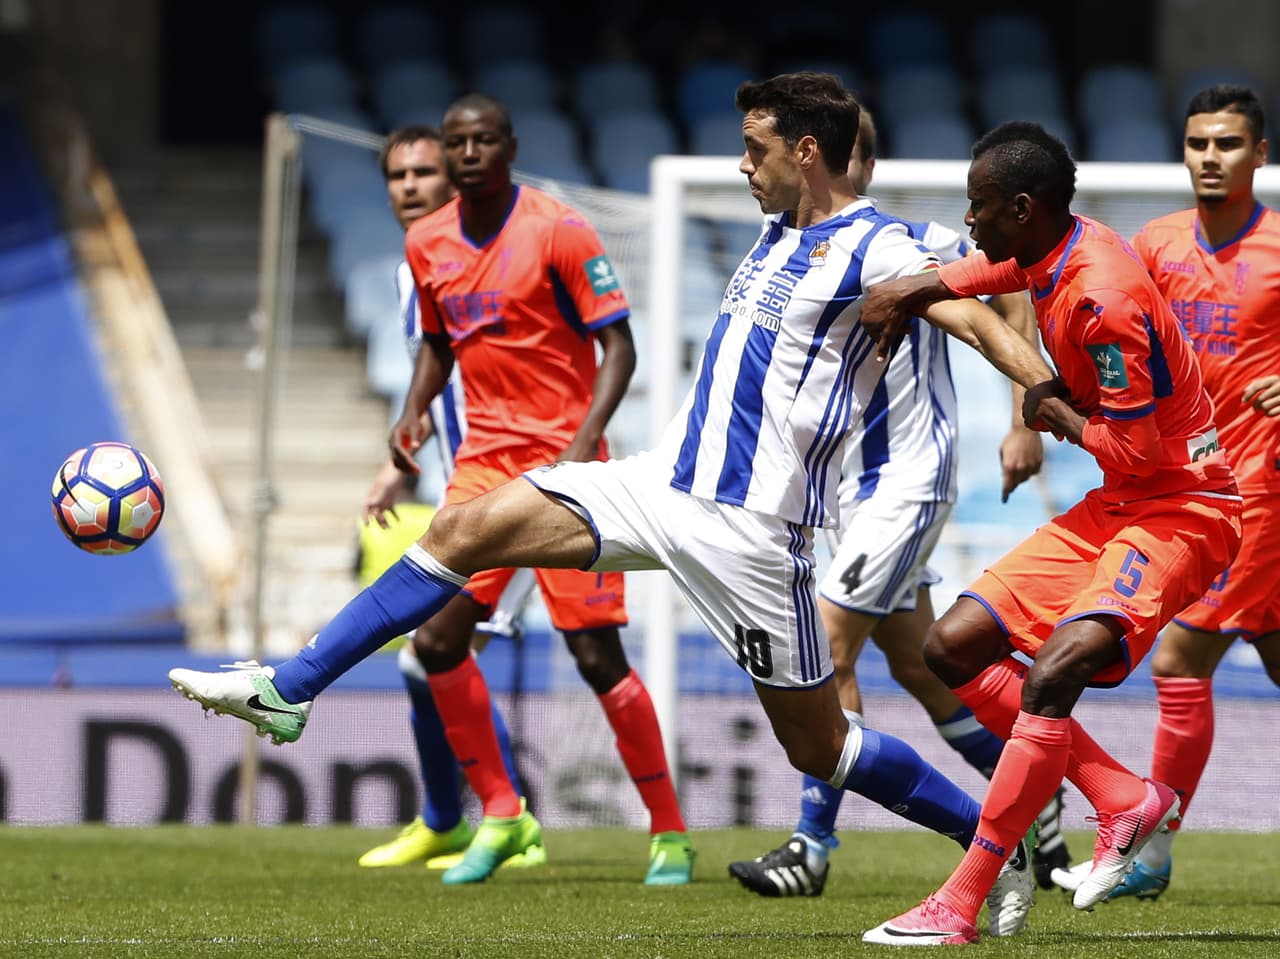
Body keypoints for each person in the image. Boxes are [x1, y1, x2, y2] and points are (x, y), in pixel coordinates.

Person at [169, 74, 1053, 931]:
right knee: (465, 525)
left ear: (807, 150)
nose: (743, 167)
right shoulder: (779, 229)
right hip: (660, 483)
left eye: (755, 150)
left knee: (819, 747)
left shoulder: (883, 247)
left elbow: (982, 317)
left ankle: (993, 841)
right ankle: (290, 688)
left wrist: (1048, 399)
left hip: (750, 533)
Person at [857, 120, 1243, 946]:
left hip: (1185, 506)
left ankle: (960, 902)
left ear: (1022, 207)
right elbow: (987, 267)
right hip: (1126, 501)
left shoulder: (1102, 299)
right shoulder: (1052, 246)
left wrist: (1050, 408)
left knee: (1053, 672)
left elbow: (1135, 451)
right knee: (954, 646)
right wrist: (911, 291)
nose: (969, 218)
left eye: (980, 205)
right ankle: (1122, 797)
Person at [727, 107, 1073, 901]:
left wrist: (1027, 411)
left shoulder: (913, 243)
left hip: (906, 477)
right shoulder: (788, 251)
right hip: (845, 488)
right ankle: (1038, 800)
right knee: (921, 668)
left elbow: (1008, 294)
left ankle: (810, 845)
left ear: (860, 166)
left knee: (826, 646)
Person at [1051, 84, 1280, 902]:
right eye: (1197, 144)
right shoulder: (1152, 243)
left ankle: (1148, 852)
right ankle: (1151, 850)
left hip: (1260, 489)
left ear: (1259, 154)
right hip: (1194, 487)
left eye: (1227, 144)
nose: (1210, 158)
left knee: (1181, 655)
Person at [354, 124, 542, 872]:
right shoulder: (417, 266)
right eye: (396, 175)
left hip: (520, 490)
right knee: (427, 656)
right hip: (463, 489)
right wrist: (401, 461)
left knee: (436, 650)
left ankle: (504, 818)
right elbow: (433, 381)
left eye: (423, 172)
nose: (409, 186)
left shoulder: (486, 256)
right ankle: (455, 819)